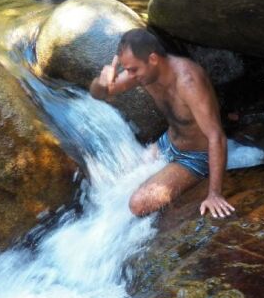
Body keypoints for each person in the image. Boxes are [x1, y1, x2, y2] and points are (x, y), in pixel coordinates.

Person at [89, 28, 235, 218]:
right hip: (168, 142)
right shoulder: (145, 73)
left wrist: (214, 194)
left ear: (153, 59)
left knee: (138, 204)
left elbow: (216, 136)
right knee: (120, 178)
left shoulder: (188, 82)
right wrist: (103, 82)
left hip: (196, 157)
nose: (129, 75)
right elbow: (99, 94)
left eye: (133, 69)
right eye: (127, 69)